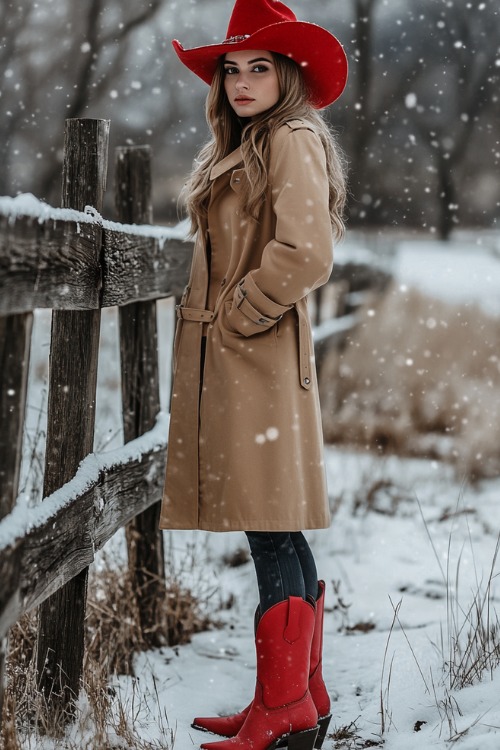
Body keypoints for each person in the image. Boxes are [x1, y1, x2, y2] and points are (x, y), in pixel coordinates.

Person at [160, 0, 348, 748]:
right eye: (232, 70)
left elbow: (307, 252)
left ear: (287, 75)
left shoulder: (291, 137)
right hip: (250, 365)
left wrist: (240, 312)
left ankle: (283, 709)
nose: (241, 82)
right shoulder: (252, 141)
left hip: (255, 358)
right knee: (277, 528)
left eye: (258, 68)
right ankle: (298, 695)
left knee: (271, 531)